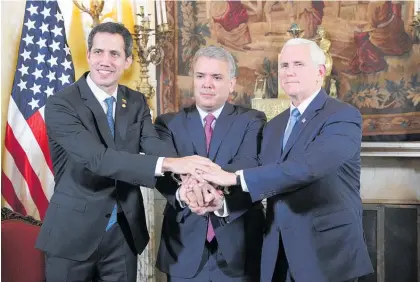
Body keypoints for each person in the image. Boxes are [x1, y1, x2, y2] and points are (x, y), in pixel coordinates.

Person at [35, 22, 218, 282]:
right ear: (88, 55)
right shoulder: (61, 104)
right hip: (72, 238)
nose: (105, 61)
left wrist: (187, 178)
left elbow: (152, 143)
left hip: (122, 236)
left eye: (114, 54)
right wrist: (173, 164)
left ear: (128, 61)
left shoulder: (135, 101)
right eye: (98, 52)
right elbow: (97, 159)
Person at [201, 38, 374, 282]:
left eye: (298, 64)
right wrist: (220, 202)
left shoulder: (342, 116)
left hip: (327, 254)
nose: (289, 72)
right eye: (284, 65)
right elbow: (262, 175)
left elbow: (308, 168)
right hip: (278, 253)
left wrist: (232, 177)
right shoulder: (274, 126)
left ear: (320, 72)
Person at [154, 45, 266, 282]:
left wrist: (208, 190)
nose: (207, 84)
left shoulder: (251, 120)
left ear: (232, 84)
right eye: (200, 76)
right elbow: (163, 173)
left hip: (239, 249)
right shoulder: (168, 124)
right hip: (184, 248)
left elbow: (249, 163)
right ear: (193, 80)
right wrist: (187, 193)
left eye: (216, 77)